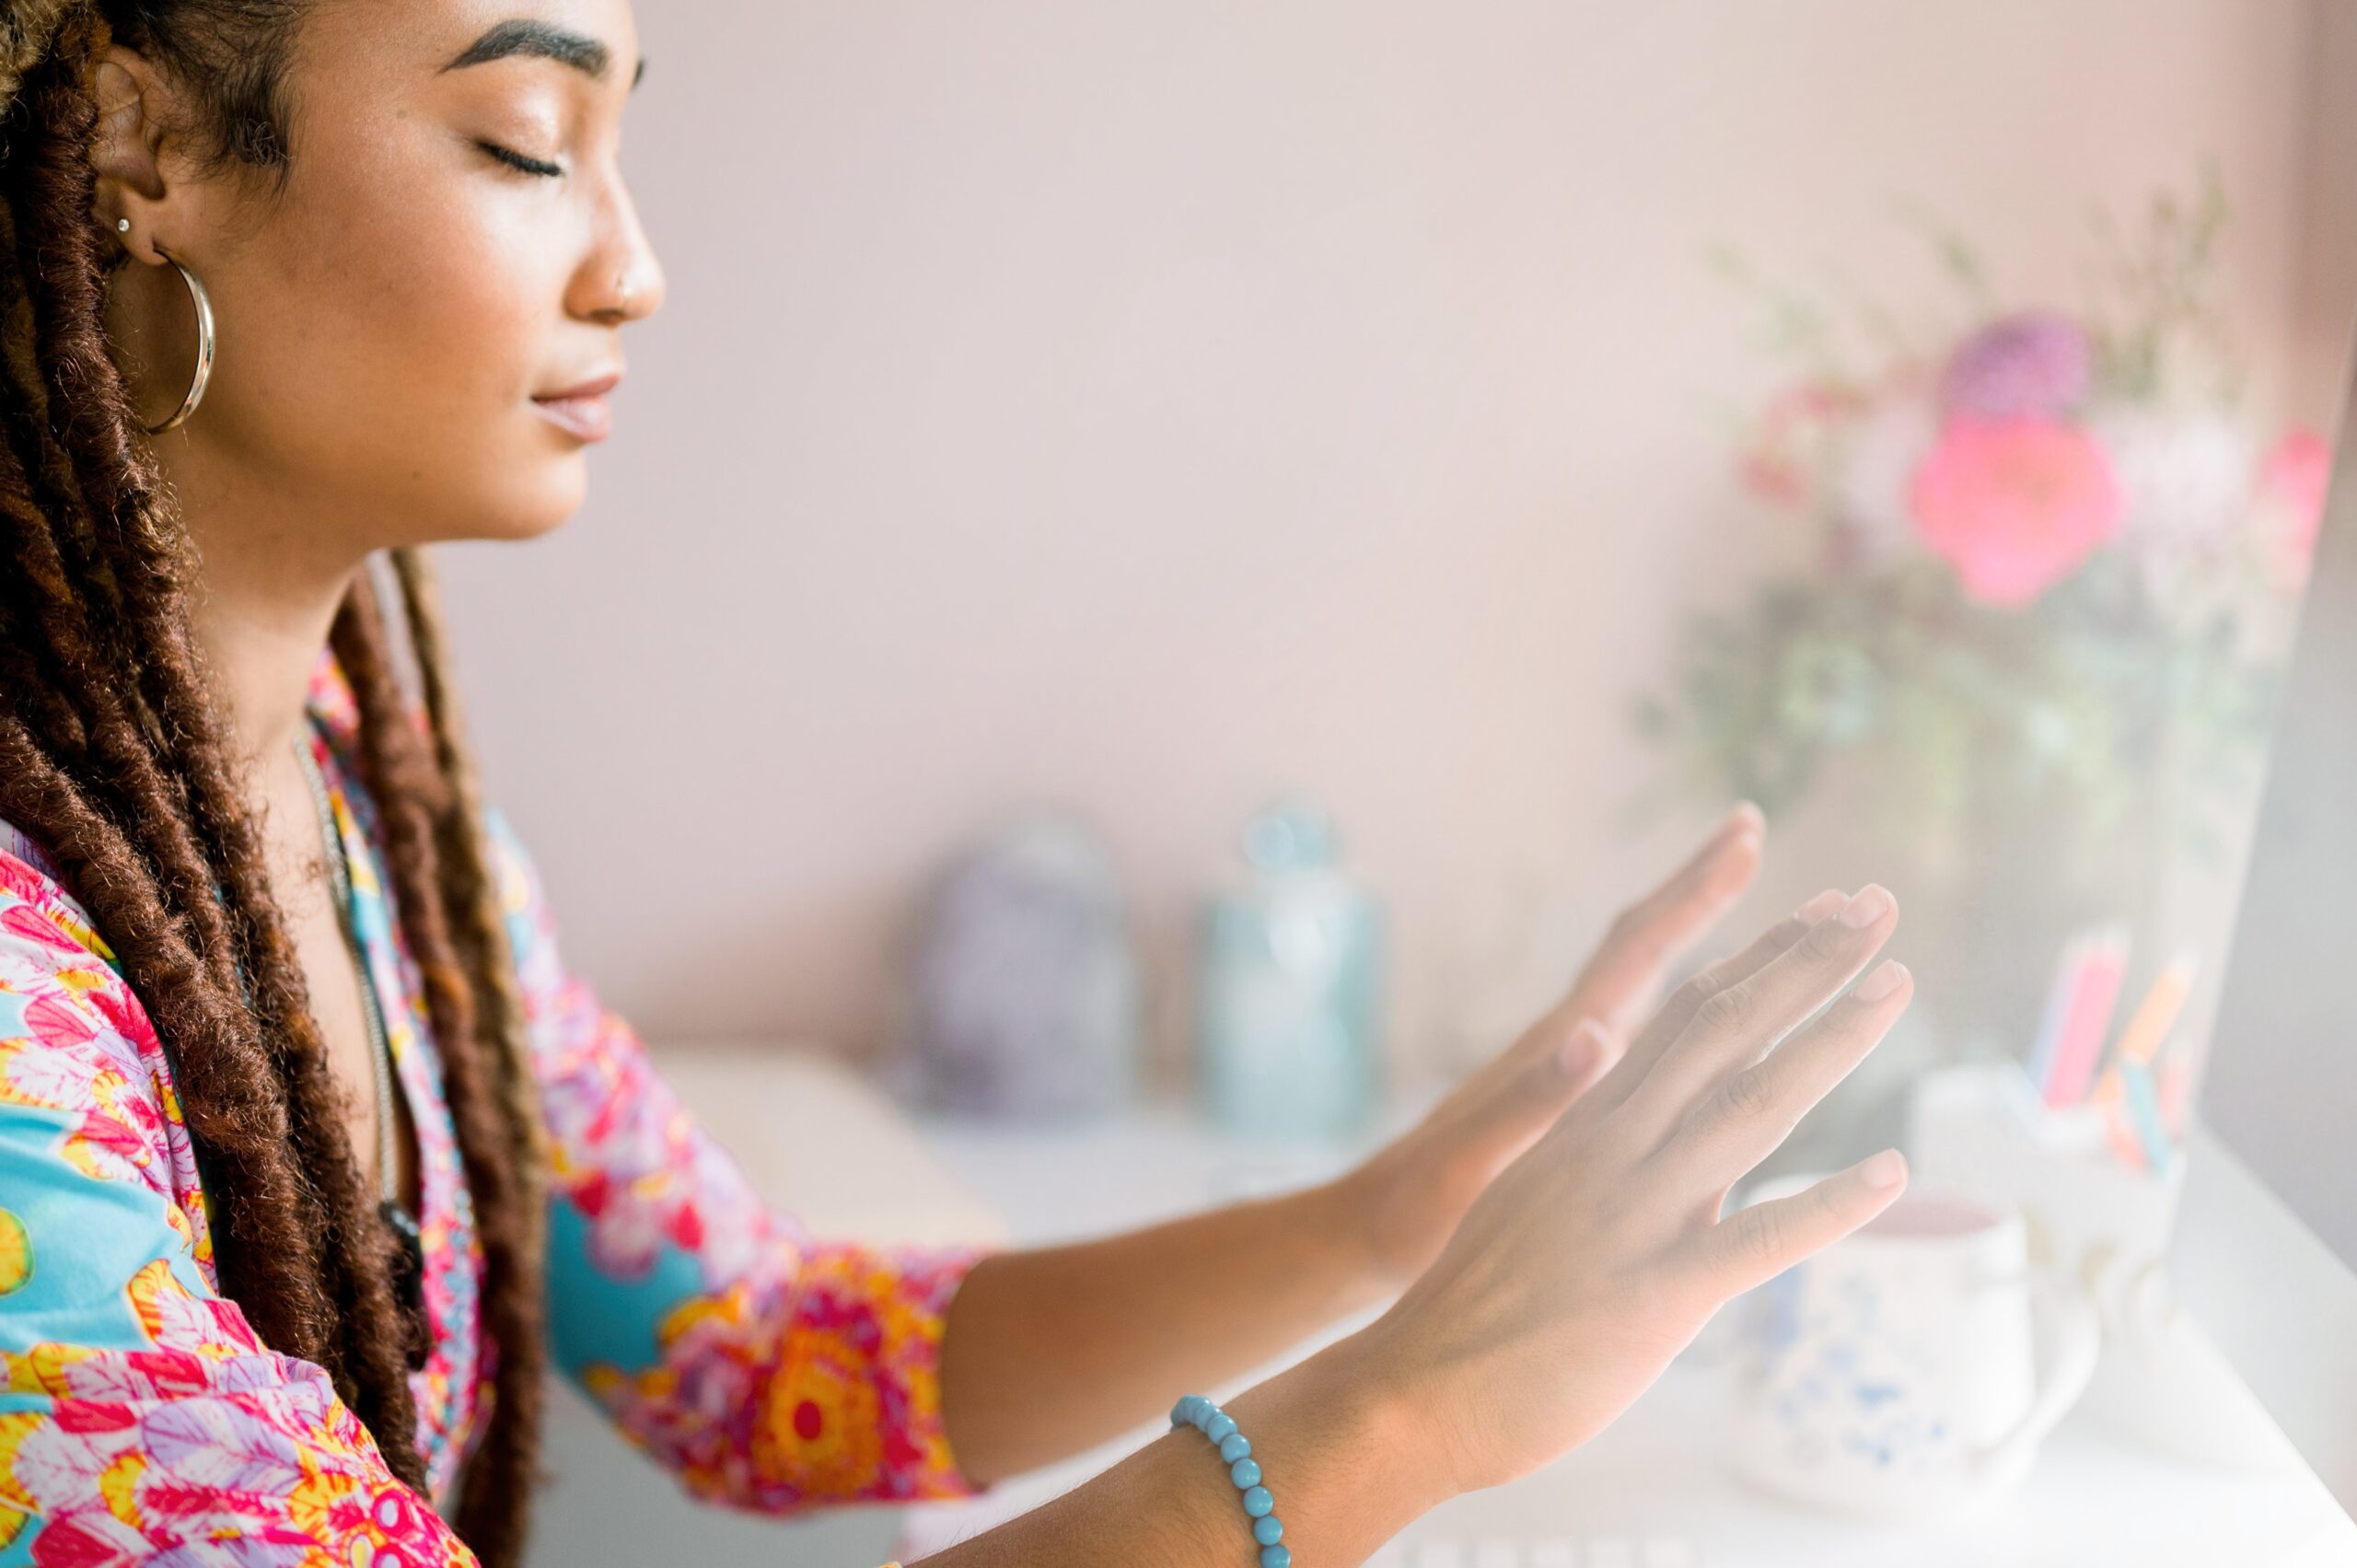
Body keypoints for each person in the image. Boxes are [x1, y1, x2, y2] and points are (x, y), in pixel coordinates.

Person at [0, 3, 1916, 1563]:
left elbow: (765, 1361)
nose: (637, 266)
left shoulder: (376, 832)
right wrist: (1414, 1401)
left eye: (622, 143)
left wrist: (1383, 1221)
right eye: (525, 139)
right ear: (142, 151)